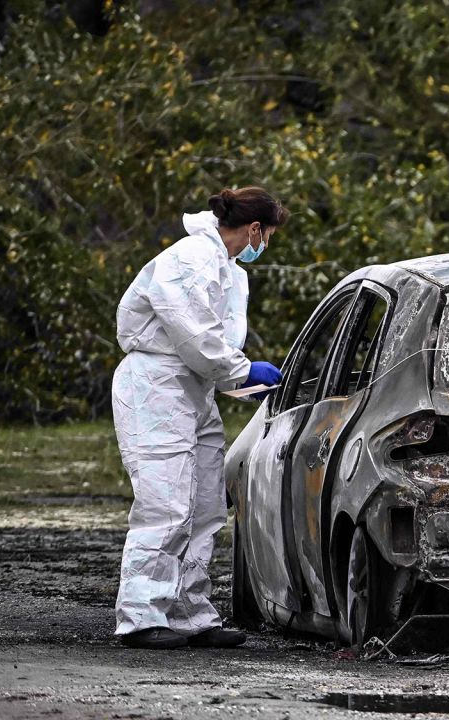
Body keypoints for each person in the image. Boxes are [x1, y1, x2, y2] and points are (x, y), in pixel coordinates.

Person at [112, 187, 288, 650]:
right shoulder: (190, 259)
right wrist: (242, 370)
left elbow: (213, 351)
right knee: (166, 503)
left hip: (192, 389)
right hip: (155, 387)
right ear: (254, 229)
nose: (264, 244)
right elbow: (195, 337)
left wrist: (245, 382)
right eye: (266, 235)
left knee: (206, 504)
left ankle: (190, 612)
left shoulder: (226, 269)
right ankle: (142, 615)